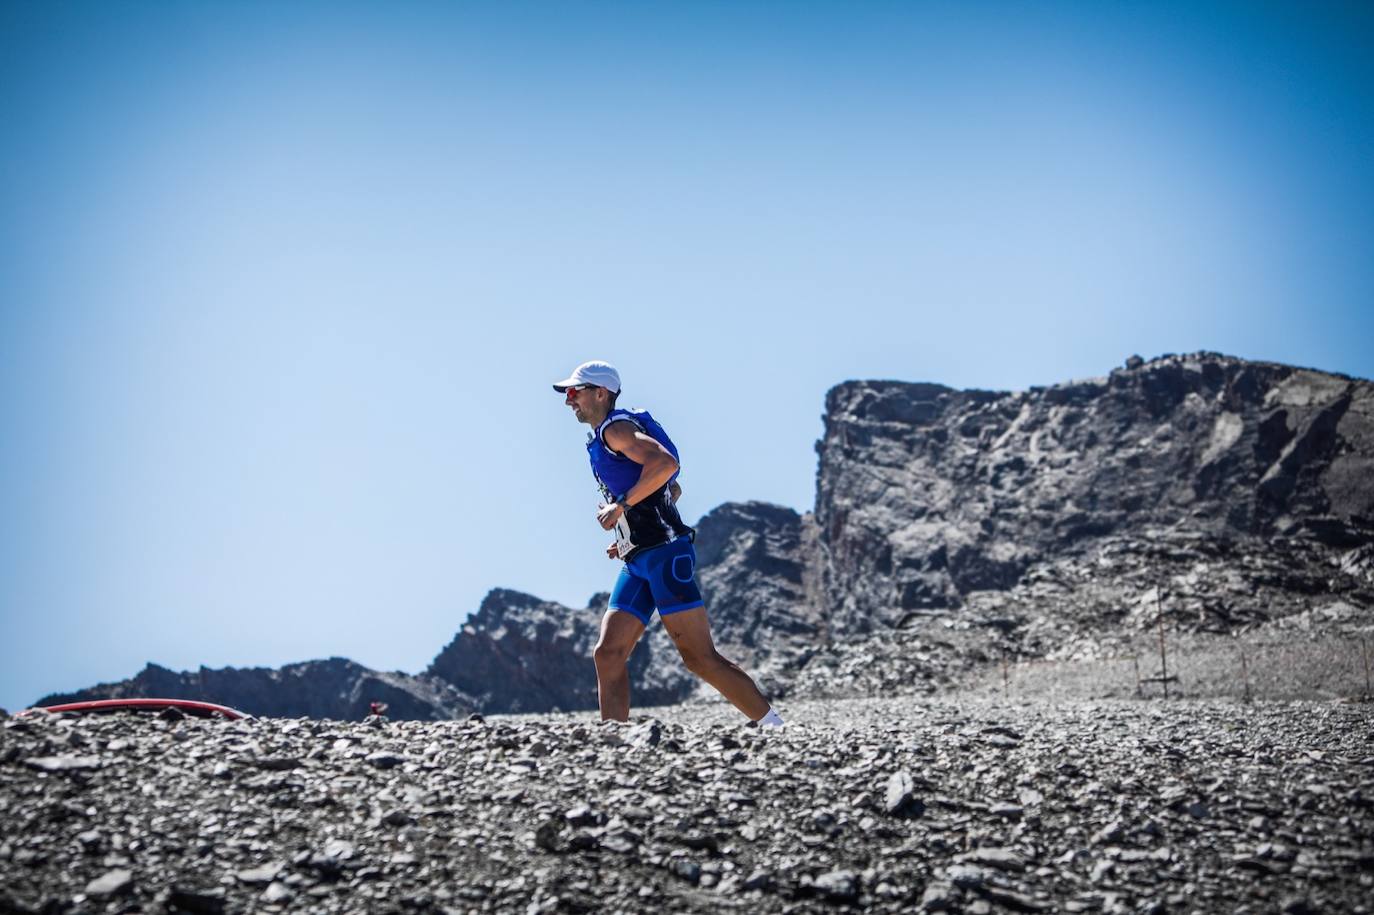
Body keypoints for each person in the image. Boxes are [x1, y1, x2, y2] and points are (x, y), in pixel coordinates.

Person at [552, 360, 784, 727]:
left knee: (698, 657)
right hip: (640, 557)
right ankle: (614, 744)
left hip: (665, 554)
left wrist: (622, 506)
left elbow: (664, 463)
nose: (568, 400)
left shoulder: (617, 429)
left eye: (574, 391)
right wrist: (627, 533)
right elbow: (670, 487)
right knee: (608, 654)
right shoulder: (606, 435)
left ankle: (775, 729)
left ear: (601, 393)